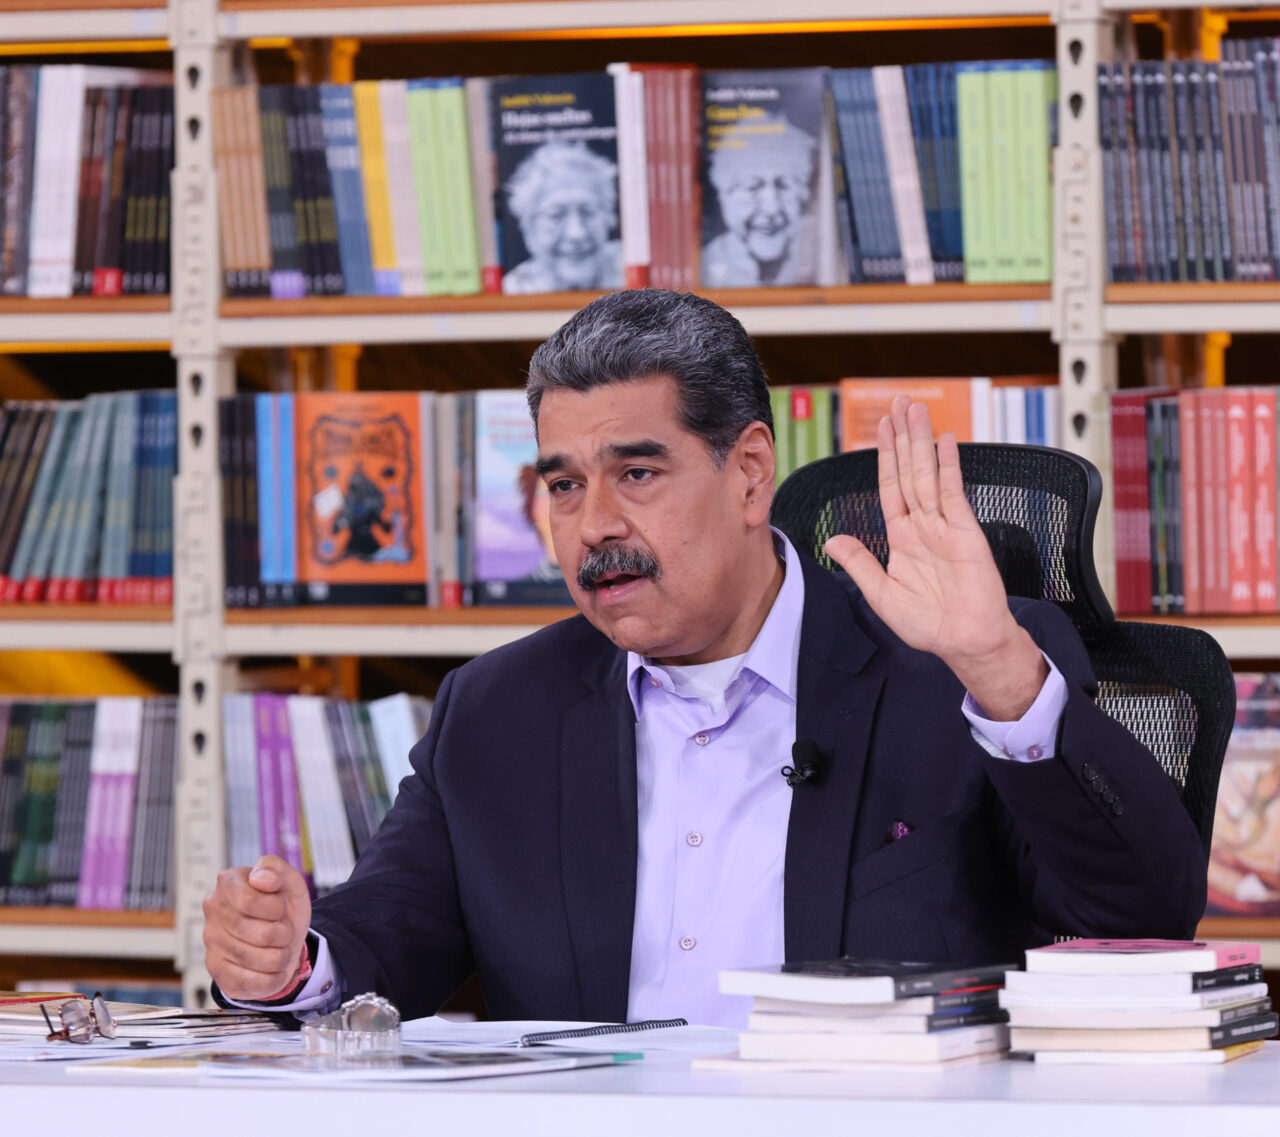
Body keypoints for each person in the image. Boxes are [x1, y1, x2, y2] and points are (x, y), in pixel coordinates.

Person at [204, 290, 1206, 1029]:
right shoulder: (499, 708)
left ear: (749, 474)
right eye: (564, 486)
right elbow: (390, 932)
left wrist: (996, 668)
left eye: (637, 473)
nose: (595, 524)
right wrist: (287, 960)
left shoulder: (954, 671)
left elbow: (1140, 916)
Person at [701, 117, 819, 288]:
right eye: (752, 186)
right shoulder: (703, 264)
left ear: (804, 194)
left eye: (784, 186)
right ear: (724, 195)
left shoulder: (822, 262)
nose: (772, 209)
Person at [502, 141, 623, 295]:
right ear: (528, 226)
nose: (576, 233)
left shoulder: (632, 269)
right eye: (556, 215)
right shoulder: (514, 287)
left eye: (588, 212)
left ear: (608, 217)